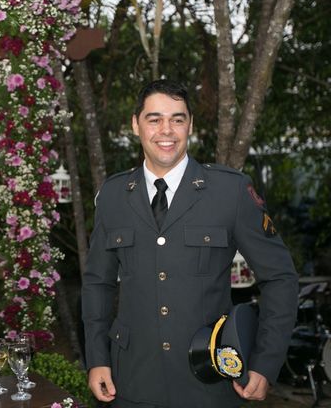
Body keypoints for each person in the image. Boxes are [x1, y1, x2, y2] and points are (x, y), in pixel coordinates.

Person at [81, 80, 298, 408]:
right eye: (154, 119)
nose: (165, 130)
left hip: (209, 382)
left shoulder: (230, 192)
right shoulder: (112, 196)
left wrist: (265, 363)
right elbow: (98, 283)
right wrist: (97, 357)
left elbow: (281, 278)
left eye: (177, 119)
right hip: (132, 381)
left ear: (190, 125)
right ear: (135, 124)